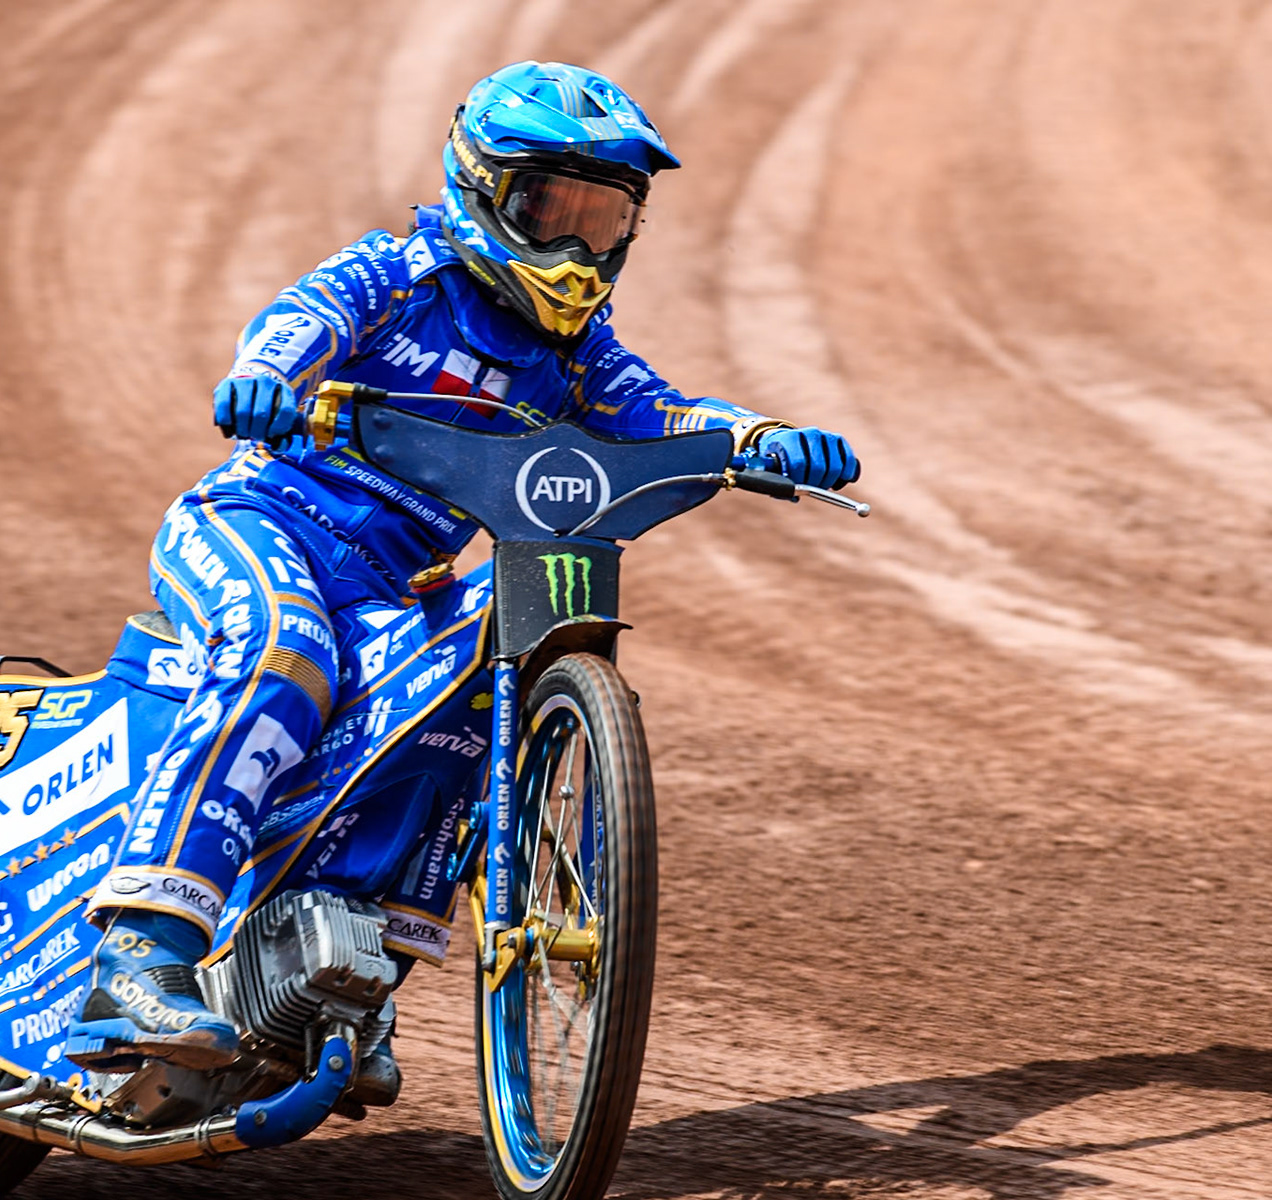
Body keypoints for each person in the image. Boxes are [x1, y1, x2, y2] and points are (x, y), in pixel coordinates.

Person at [67, 62, 860, 1078]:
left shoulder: (574, 353)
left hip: (393, 586)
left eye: (603, 218)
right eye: (549, 207)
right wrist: (264, 379)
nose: (576, 246)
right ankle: (141, 950)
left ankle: (345, 975)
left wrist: (757, 436)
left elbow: (661, 414)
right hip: (260, 524)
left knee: (474, 668)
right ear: (482, 188)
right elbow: (295, 323)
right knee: (283, 650)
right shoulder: (396, 275)